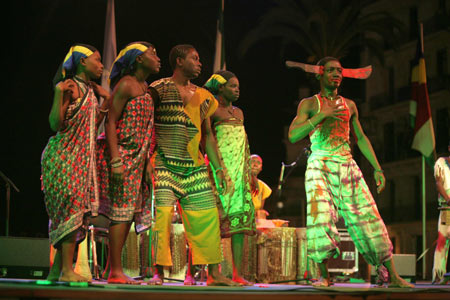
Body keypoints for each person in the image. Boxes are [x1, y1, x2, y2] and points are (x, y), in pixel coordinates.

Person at [287, 56, 413, 288]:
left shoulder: (350, 105)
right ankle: (324, 276)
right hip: (320, 164)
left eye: (340, 71)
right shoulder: (309, 104)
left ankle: (392, 275)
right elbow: (293, 135)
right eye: (332, 70)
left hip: (346, 163)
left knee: (369, 216)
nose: (337, 74)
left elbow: (361, 137)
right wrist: (321, 115)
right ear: (320, 74)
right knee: (320, 218)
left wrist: (377, 168)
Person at [148, 44, 237, 286]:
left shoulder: (204, 96)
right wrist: (147, 159)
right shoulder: (159, 88)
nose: (199, 63)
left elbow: (207, 135)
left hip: (194, 167)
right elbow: (146, 126)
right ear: (179, 61)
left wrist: (219, 169)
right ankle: (159, 273)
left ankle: (214, 274)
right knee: (163, 218)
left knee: (207, 218)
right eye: (194, 59)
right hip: (165, 164)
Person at [41, 44, 110, 282]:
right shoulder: (70, 87)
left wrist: (106, 99)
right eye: (97, 60)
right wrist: (59, 94)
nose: (101, 65)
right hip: (63, 156)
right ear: (82, 61)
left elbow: (91, 123)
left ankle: (55, 272)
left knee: (73, 215)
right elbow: (55, 124)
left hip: (81, 159)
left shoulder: (89, 90)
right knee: (69, 212)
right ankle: (67, 271)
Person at [96, 41, 160, 284]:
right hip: (122, 155)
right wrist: (115, 160)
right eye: (152, 54)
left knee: (128, 214)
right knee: (121, 214)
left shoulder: (144, 86)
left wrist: (146, 161)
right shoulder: (126, 85)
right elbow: (110, 121)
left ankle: (112, 269)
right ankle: (115, 272)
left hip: (138, 158)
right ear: (138, 59)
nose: (157, 57)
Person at [204, 70, 256, 285]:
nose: (237, 89)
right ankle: (212, 273)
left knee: (239, 223)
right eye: (233, 86)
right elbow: (207, 140)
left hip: (240, 174)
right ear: (221, 88)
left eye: (238, 86)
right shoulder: (211, 109)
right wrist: (218, 170)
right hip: (220, 172)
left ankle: (237, 273)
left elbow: (244, 144)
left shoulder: (240, 113)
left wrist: (249, 173)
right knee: (215, 221)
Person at [432, 141, 450, 284]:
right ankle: (438, 275)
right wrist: (448, 199)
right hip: (447, 208)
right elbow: (438, 183)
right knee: (443, 241)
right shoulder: (441, 163)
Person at [250, 154, 272, 220]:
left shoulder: (263, 186)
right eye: (252, 161)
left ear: (261, 168)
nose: (255, 164)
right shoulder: (240, 182)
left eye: (258, 163)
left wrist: (261, 212)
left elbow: (260, 209)